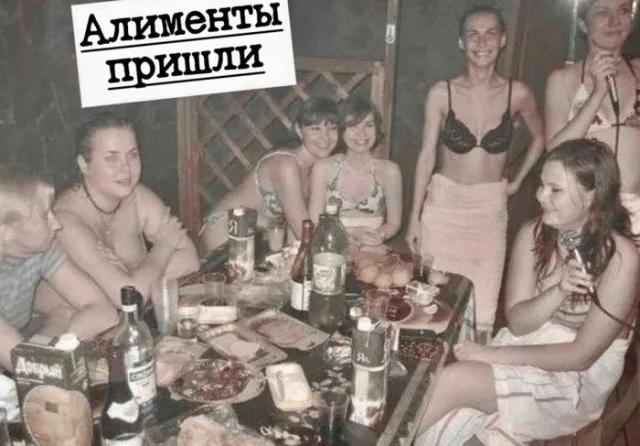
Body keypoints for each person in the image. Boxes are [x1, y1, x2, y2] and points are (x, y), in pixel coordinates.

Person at [416, 139, 639, 445]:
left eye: (555, 190)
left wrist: (493, 354)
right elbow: (519, 323)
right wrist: (558, 290)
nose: (540, 196)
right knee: (440, 430)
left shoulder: (620, 258)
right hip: (523, 345)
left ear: (593, 196)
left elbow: (581, 356)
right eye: (542, 185)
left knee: (454, 380)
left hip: (575, 380)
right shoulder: (534, 234)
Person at [405, 5, 545, 339]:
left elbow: (541, 137)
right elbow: (426, 154)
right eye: (473, 35)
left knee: (482, 314)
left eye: (490, 34)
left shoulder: (517, 93)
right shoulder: (442, 93)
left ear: (503, 39)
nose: (482, 43)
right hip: (443, 207)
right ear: (461, 42)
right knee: (432, 308)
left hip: (488, 212)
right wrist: (414, 217)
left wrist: (517, 181)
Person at [35, 112, 199, 315]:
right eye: (112, 158)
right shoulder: (66, 220)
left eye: (132, 155)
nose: (126, 168)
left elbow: (190, 259)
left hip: (126, 319)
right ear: (84, 165)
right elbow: (130, 298)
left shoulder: (138, 196)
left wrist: (131, 276)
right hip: (69, 324)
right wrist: (164, 246)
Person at [0, 165, 119, 371]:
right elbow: (27, 366)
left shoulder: (41, 250)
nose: (57, 224)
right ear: (5, 233)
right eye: (45, 215)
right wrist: (60, 335)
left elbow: (105, 312)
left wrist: (58, 340)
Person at [198, 97, 340, 256]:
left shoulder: (318, 168)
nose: (325, 137)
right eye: (315, 129)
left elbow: (305, 228)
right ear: (299, 130)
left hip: (257, 237)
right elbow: (302, 231)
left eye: (332, 128)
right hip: (226, 229)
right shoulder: (285, 165)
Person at [545, 0, 640, 238]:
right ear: (582, 23)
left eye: (623, 10)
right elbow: (554, 153)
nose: (614, 21)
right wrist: (597, 94)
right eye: (602, 12)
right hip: (584, 211)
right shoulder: (563, 80)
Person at [308, 97, 402, 246]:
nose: (362, 134)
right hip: (332, 246)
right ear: (341, 131)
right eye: (353, 127)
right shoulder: (323, 169)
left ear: (377, 128)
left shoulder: (390, 171)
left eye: (368, 125)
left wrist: (379, 235)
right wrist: (352, 233)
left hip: (372, 248)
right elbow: (315, 224)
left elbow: (394, 223)